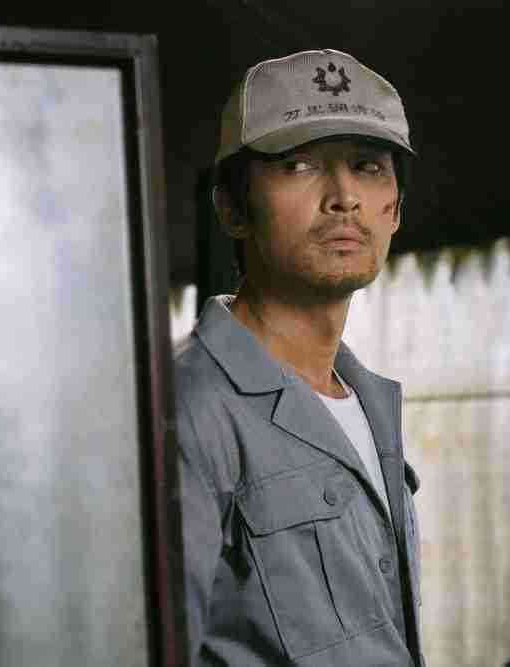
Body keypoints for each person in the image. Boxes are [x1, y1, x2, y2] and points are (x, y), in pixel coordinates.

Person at [174, 49, 424, 666]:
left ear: (395, 209)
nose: (344, 197)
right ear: (232, 208)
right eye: (299, 165)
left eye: (367, 166)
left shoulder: (370, 402)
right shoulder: (189, 409)